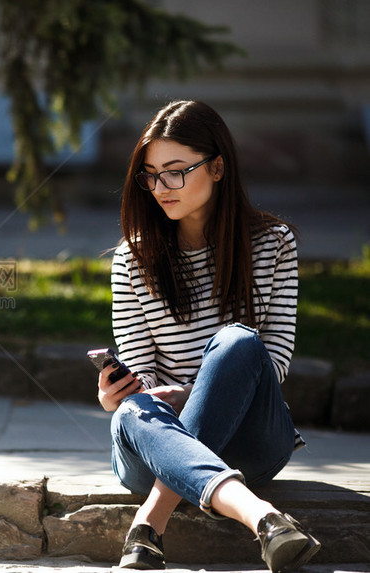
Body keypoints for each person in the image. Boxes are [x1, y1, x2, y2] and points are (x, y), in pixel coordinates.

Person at [97, 100, 321, 572]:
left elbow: (273, 365)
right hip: (155, 449)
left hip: (251, 439)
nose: (161, 187)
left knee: (238, 342)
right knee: (134, 407)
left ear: (217, 167)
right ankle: (264, 518)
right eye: (151, 174)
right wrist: (117, 394)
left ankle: (150, 522)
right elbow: (144, 377)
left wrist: (190, 394)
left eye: (176, 171)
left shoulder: (274, 243)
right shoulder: (131, 259)